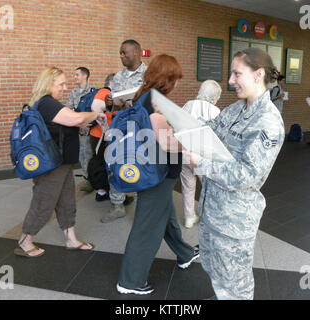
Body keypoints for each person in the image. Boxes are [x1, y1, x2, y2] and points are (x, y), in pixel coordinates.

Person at [185, 48, 285, 299]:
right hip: (214, 209)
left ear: (258, 75)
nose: (230, 81)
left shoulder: (268, 122)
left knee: (235, 284)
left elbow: (248, 175)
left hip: (234, 220)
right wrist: (181, 123)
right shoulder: (236, 109)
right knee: (216, 271)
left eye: (236, 73)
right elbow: (210, 129)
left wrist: (202, 163)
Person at [116, 54, 199, 295]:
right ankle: (130, 281)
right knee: (147, 226)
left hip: (152, 170)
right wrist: (194, 141)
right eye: (176, 78)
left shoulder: (143, 95)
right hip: (157, 173)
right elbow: (167, 143)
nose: (178, 83)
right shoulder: (156, 100)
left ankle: (184, 254)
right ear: (168, 78)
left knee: (166, 217)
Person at [14, 67, 105, 258]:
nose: (65, 88)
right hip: (52, 166)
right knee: (43, 202)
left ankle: (71, 239)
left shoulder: (51, 103)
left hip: (62, 164)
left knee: (67, 202)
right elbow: (76, 117)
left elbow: (64, 124)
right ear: (48, 84)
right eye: (61, 84)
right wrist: (95, 114)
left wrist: (77, 124)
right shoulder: (46, 103)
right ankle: (25, 240)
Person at [101, 40, 147, 223]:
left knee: (143, 163)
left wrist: (135, 103)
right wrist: (110, 102)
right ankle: (117, 205)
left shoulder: (149, 75)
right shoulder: (118, 77)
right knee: (116, 161)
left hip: (142, 128)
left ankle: (143, 205)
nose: (121, 56)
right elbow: (112, 106)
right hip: (121, 127)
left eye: (124, 53)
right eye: (120, 53)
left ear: (135, 52)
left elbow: (155, 100)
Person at [180, 80, 221, 229]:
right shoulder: (215, 112)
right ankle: (209, 218)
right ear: (215, 97)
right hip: (203, 159)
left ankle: (189, 217)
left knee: (188, 187)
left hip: (186, 154)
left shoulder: (188, 105)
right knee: (209, 189)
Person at [88, 73, 116, 202]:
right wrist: (105, 128)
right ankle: (103, 191)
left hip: (98, 135)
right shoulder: (105, 92)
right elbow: (96, 108)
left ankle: (102, 191)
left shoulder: (104, 93)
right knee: (104, 164)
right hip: (102, 136)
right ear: (112, 83)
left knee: (102, 162)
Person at [67, 67, 94, 192]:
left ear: (85, 76)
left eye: (77, 75)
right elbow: (69, 109)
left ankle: (95, 180)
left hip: (92, 130)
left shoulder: (93, 91)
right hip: (80, 130)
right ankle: (88, 179)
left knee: (92, 155)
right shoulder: (73, 93)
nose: (75, 77)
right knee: (83, 155)